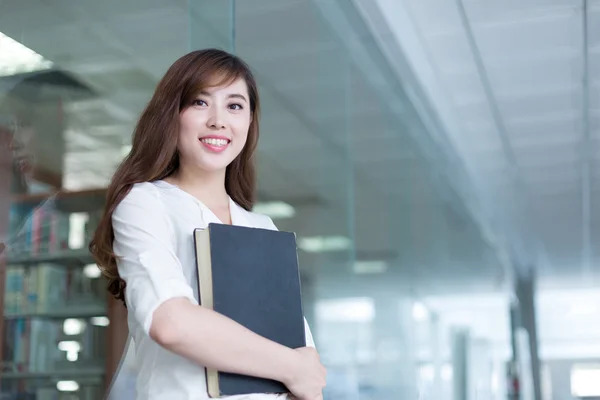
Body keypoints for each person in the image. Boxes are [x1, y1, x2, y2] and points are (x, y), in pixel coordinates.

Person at [89, 49, 327, 400]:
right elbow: (171, 323)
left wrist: (299, 372)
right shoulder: (144, 202)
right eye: (200, 103)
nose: (218, 121)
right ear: (173, 114)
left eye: (234, 106)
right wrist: (291, 367)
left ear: (249, 121)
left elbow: (307, 370)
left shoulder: (262, 228)